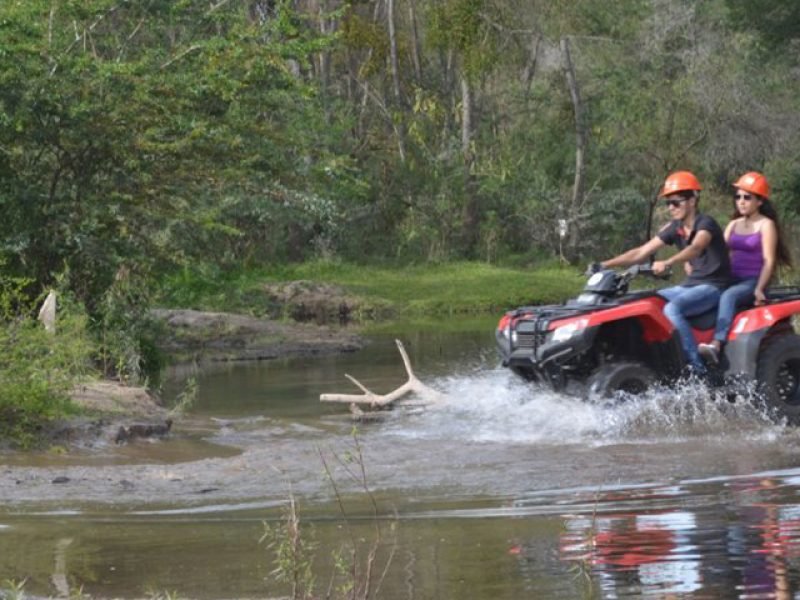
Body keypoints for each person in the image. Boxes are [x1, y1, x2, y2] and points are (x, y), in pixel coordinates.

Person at [594, 171, 731, 374]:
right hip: (690, 285)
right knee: (648, 301)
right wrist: (604, 265)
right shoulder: (675, 228)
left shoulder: (706, 224)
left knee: (672, 309)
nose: (671, 208)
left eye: (676, 202)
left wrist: (669, 262)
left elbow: (696, 247)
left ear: (692, 200)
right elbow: (641, 252)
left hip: (713, 287)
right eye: (668, 203)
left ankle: (696, 370)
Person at [697, 172, 791, 364]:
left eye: (747, 197)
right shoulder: (733, 225)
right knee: (706, 293)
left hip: (753, 280)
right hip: (731, 278)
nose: (741, 201)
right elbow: (720, 255)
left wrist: (758, 288)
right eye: (738, 197)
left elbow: (769, 260)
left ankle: (717, 343)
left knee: (729, 296)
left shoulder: (766, 225)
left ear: (759, 201)